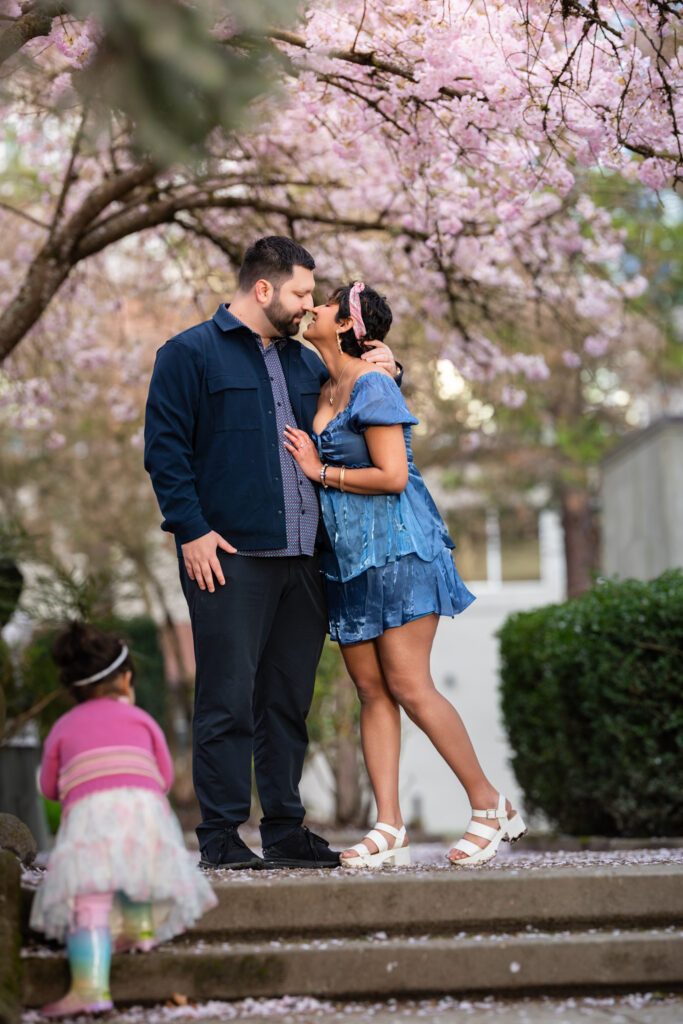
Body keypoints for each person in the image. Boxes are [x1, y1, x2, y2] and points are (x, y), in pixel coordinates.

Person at [144, 236, 398, 870]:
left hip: (306, 560)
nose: (310, 308)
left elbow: (356, 402)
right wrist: (191, 528)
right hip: (228, 556)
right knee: (227, 698)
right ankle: (223, 835)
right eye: (302, 295)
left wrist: (389, 368)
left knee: (287, 700)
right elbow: (165, 450)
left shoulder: (303, 363)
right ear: (264, 290)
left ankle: (285, 829)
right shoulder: (188, 354)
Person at [283, 282, 527, 868]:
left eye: (323, 302)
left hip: (399, 550)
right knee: (371, 691)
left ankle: (490, 805)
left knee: (410, 685)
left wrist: (321, 472)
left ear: (345, 324)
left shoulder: (373, 384)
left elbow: (393, 475)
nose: (310, 306)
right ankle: (388, 827)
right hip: (346, 560)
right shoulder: (327, 384)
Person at [30, 622, 216, 1019]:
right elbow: (163, 778)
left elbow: (48, 787)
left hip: (92, 817)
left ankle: (89, 989)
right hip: (146, 811)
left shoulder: (64, 726)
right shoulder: (143, 720)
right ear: (126, 678)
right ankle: (141, 929)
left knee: (90, 900)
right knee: (135, 865)